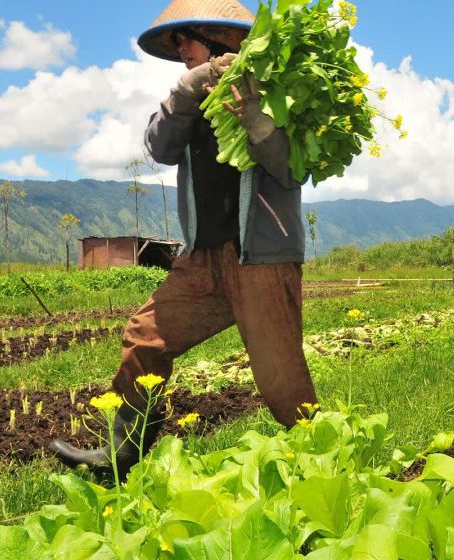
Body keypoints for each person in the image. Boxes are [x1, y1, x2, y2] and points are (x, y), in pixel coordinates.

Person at [49, 0, 318, 479]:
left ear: (221, 41)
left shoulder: (277, 96)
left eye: (186, 44)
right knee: (144, 338)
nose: (182, 55)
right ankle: (120, 458)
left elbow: (292, 169)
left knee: (282, 385)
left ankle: (328, 465)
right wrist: (184, 94)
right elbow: (159, 146)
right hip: (201, 259)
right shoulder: (190, 100)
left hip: (261, 259)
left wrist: (259, 120)